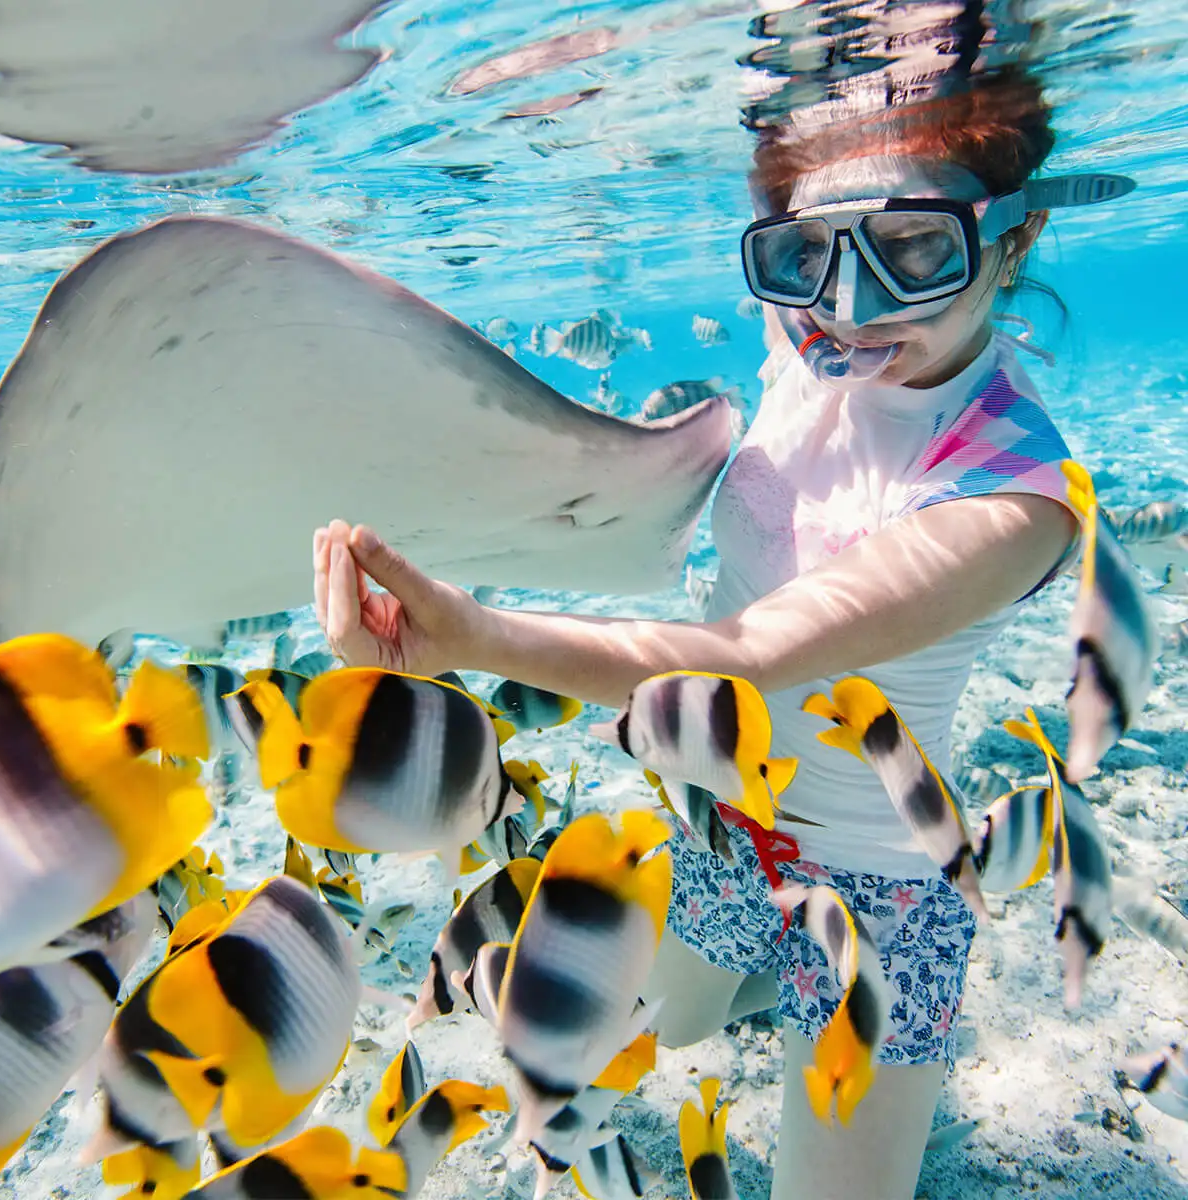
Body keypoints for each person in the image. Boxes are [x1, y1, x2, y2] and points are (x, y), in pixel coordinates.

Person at [311, 69, 1131, 1200]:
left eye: (916, 251)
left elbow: (749, 655)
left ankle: (867, 1032)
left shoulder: (1015, 497)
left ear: (1013, 234)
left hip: (882, 898)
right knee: (675, 1030)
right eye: (807, 258)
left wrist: (478, 636)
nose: (850, 308)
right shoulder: (798, 336)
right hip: (719, 811)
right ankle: (764, 999)